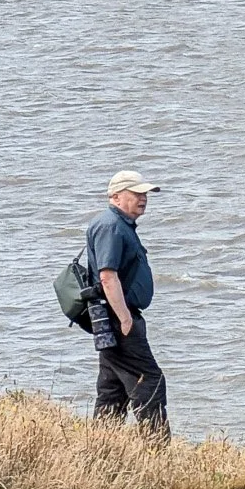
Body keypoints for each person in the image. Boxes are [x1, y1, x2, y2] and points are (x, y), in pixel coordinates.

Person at [86, 170, 169, 439]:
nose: (143, 198)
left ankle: (101, 446)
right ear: (116, 196)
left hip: (114, 317)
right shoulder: (111, 225)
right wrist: (125, 319)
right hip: (117, 318)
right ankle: (157, 451)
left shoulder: (117, 224)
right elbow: (107, 277)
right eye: (137, 193)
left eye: (145, 193)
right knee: (150, 381)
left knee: (113, 389)